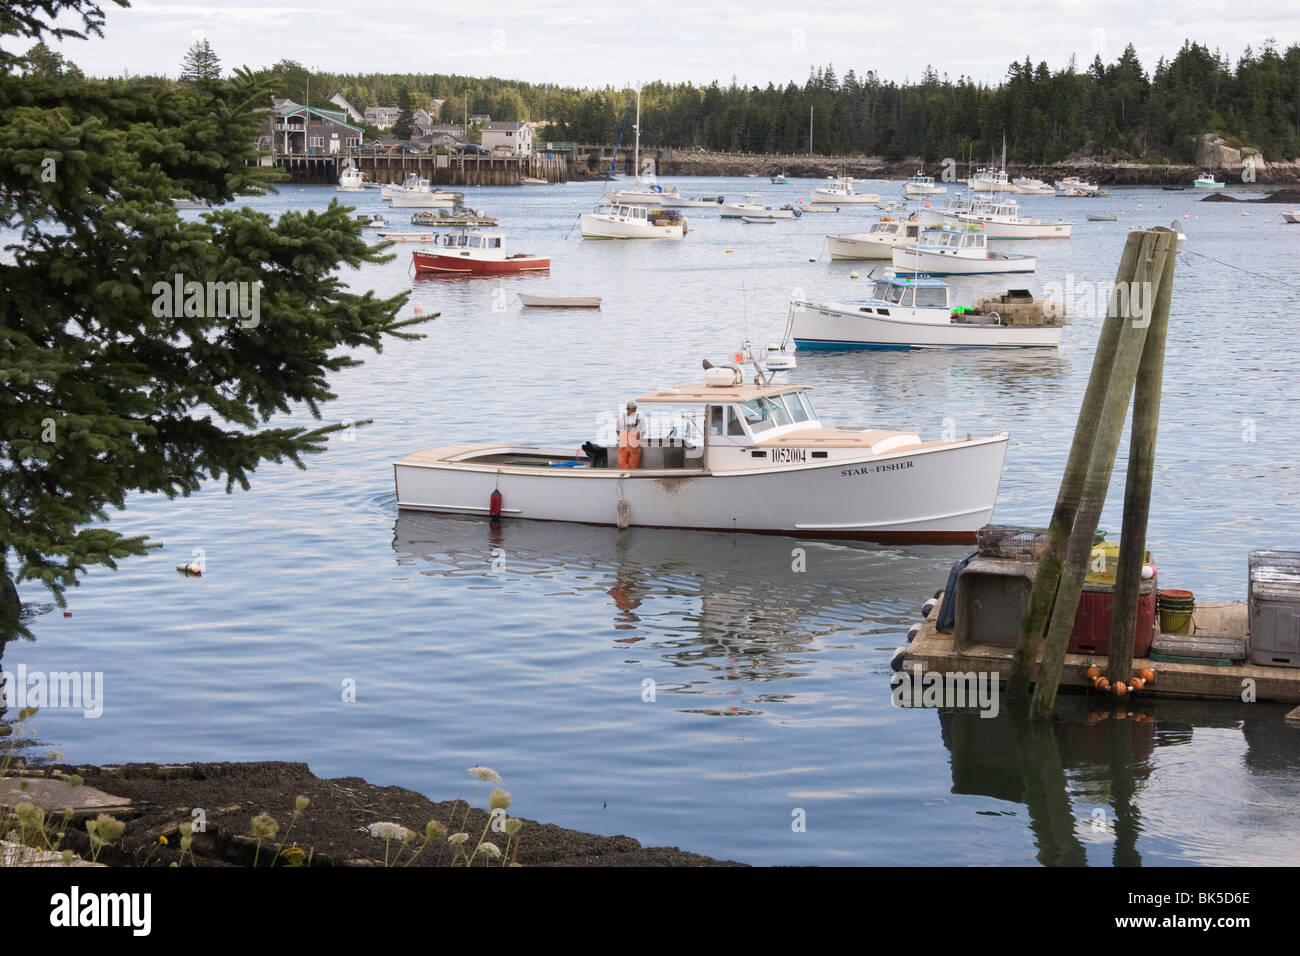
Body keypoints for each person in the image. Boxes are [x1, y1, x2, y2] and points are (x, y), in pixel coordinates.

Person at [618, 401, 647, 469]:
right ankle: (627, 470)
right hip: (623, 441)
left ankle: (631, 472)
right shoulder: (621, 419)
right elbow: (619, 430)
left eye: (634, 408)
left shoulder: (640, 418)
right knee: (621, 461)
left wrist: (637, 439)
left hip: (634, 441)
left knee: (634, 460)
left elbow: (643, 430)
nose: (634, 410)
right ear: (627, 409)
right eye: (632, 408)